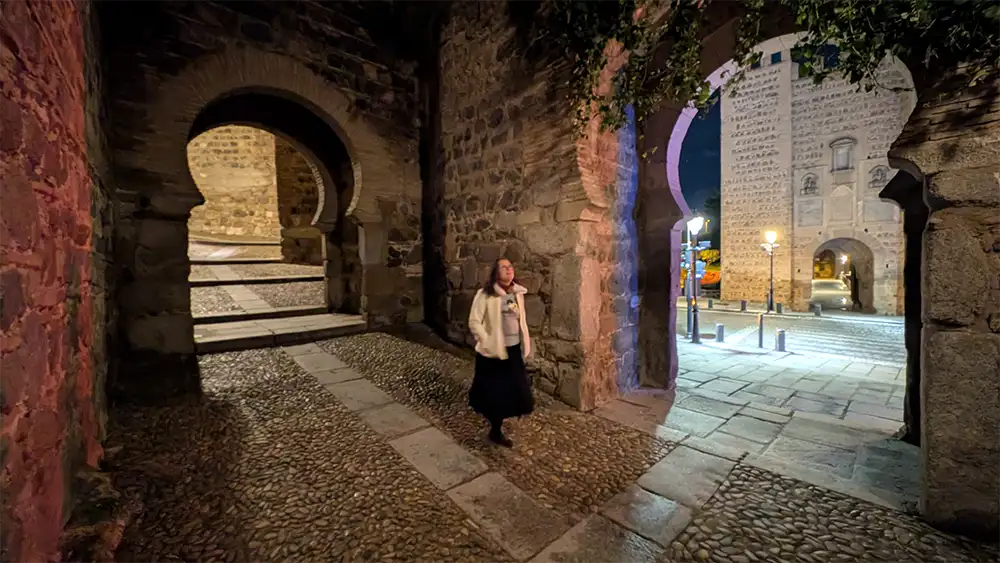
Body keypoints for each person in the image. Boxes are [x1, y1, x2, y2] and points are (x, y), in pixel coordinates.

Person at [467, 258, 535, 447]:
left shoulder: (517, 293)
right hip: (493, 352)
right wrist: (487, 340)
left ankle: (498, 424)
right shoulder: (485, 295)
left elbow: (521, 321)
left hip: (512, 350)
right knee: (494, 393)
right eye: (503, 267)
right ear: (495, 273)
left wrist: (525, 344)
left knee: (517, 391)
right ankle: (495, 430)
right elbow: (474, 321)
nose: (509, 269)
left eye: (510, 266)